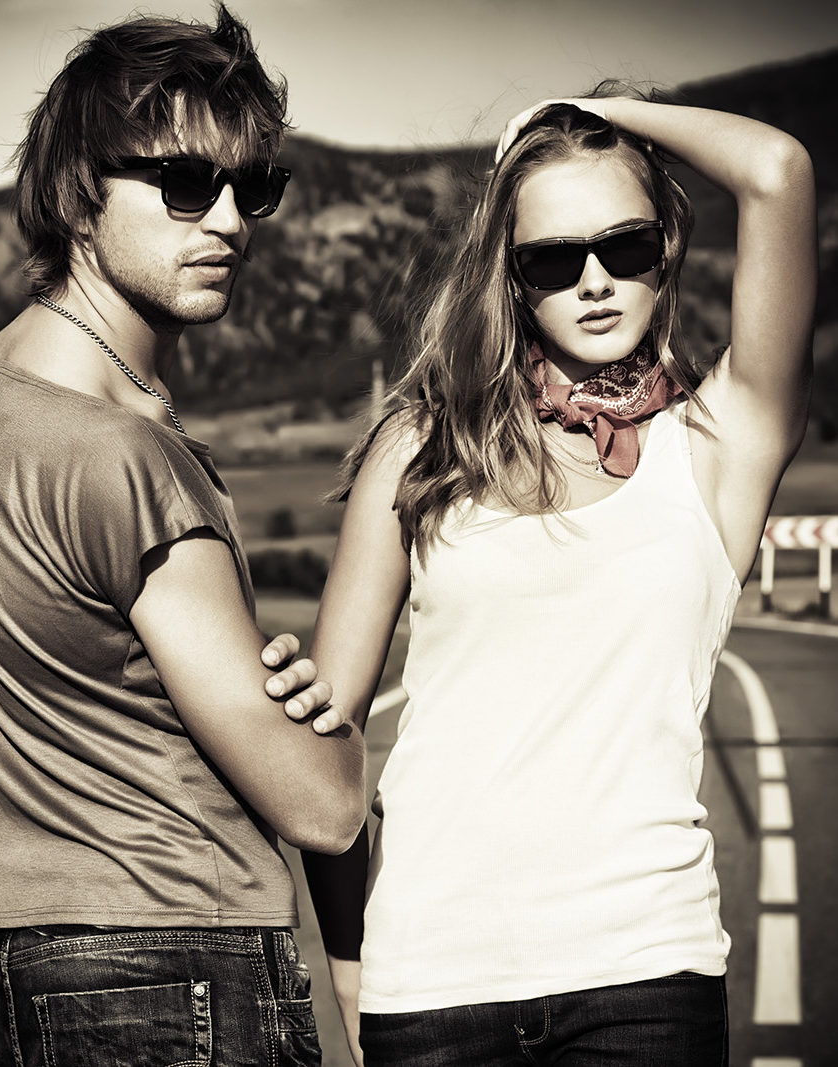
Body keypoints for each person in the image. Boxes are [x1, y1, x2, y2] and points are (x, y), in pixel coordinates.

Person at [293, 91, 816, 1066]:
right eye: (551, 258)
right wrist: (349, 961)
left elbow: (777, 169)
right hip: (432, 980)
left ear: (665, 247)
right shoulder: (419, 449)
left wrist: (588, 110)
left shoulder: (716, 446)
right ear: (510, 279)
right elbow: (326, 736)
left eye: (624, 245)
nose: (593, 280)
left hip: (644, 975)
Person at [0, 7, 366, 1066]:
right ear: (74, 193)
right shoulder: (124, 458)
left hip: (17, 975)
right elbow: (324, 806)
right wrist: (327, 716)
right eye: (184, 184)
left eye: (253, 187)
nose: (229, 221)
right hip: (182, 967)